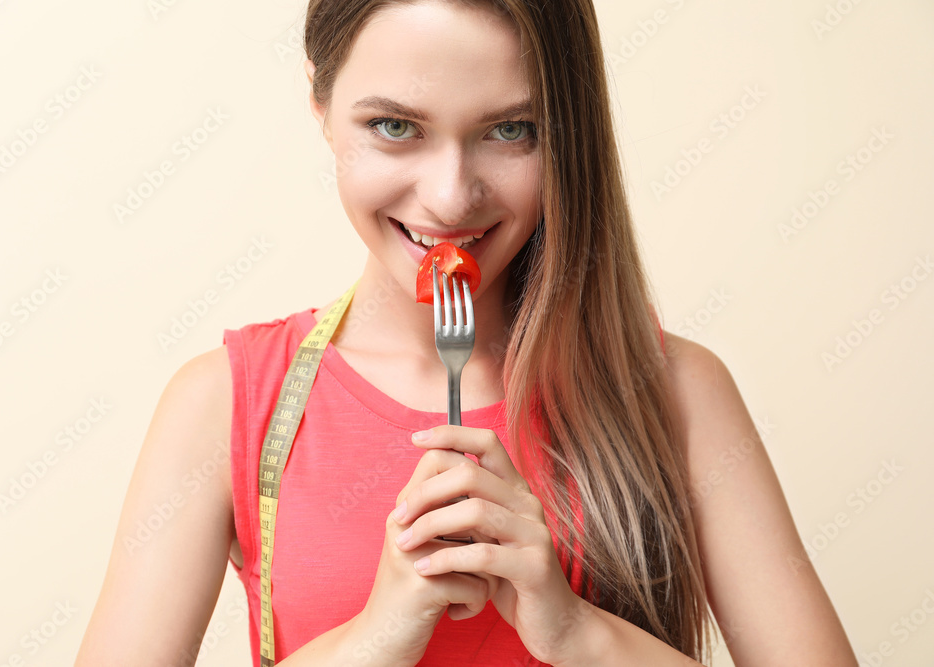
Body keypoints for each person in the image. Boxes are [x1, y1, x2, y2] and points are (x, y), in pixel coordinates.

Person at [75, 0, 858, 665]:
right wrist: (374, 636)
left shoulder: (676, 392)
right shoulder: (227, 404)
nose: (451, 197)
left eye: (510, 130)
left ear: (568, 132)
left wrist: (579, 632)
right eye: (394, 126)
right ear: (319, 106)